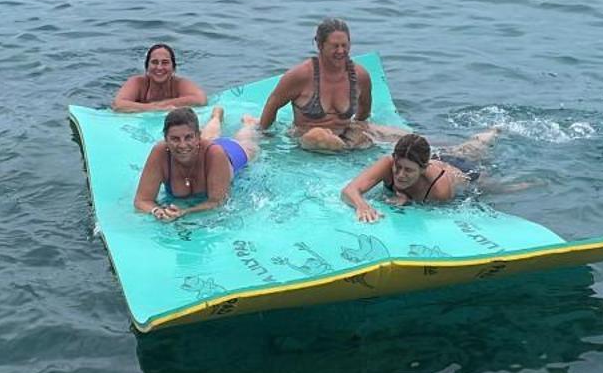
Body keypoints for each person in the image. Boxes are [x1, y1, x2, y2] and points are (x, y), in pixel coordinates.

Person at [255, 18, 400, 152]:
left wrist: (362, 131)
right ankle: (347, 151)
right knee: (319, 136)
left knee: (405, 138)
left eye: (345, 45)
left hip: (344, 134)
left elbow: (363, 113)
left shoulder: (360, 76)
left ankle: (349, 148)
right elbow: (272, 104)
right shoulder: (300, 75)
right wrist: (265, 137)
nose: (341, 51)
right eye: (335, 46)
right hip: (309, 138)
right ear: (320, 45)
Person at [134, 106, 264, 222]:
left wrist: (185, 212)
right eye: (174, 139)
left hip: (233, 153)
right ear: (165, 139)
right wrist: (157, 211)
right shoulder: (160, 152)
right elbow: (142, 200)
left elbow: (218, 201)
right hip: (202, 148)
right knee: (210, 138)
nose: (182, 145)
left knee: (246, 141)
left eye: (189, 137)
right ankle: (216, 116)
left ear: (198, 136)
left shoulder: (215, 154)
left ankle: (248, 124)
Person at [342, 131, 500, 222]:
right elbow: (349, 190)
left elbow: (437, 213)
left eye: (408, 171)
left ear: (423, 169)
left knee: (500, 186)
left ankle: (494, 132)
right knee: (461, 149)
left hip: (464, 172)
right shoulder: (389, 163)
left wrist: (409, 201)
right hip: (434, 158)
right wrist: (361, 205)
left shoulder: (439, 190)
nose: (400, 175)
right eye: (398, 167)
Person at [112, 43, 208, 112]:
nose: (159, 67)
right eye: (154, 62)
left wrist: (160, 105)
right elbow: (118, 104)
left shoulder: (179, 83)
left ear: (173, 68)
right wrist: (154, 108)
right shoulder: (137, 82)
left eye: (165, 63)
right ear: (147, 67)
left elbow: (200, 99)